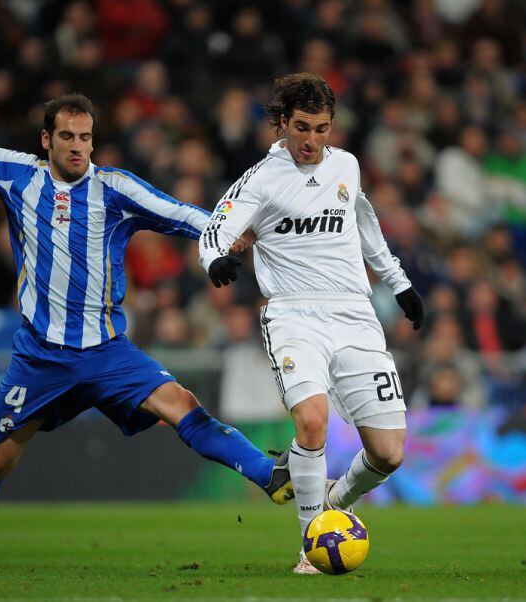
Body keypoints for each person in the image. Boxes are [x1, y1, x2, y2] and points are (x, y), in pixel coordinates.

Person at [0, 73, 289, 570]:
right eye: (68, 137)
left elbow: (182, 213)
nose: (79, 147)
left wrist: (225, 240)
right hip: (41, 357)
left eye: (87, 137)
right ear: (46, 140)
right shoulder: (18, 176)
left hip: (108, 352)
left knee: (180, 403)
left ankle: (268, 474)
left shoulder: (115, 191)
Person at [198, 73, 423, 574]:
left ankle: (333, 507)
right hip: (293, 313)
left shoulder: (346, 165)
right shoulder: (261, 178)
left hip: (356, 315)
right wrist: (214, 260)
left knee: (388, 454)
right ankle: (310, 544)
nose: (312, 140)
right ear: (280, 124)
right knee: (312, 421)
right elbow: (216, 227)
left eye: (322, 128)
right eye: (302, 127)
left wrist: (400, 283)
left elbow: (366, 226)